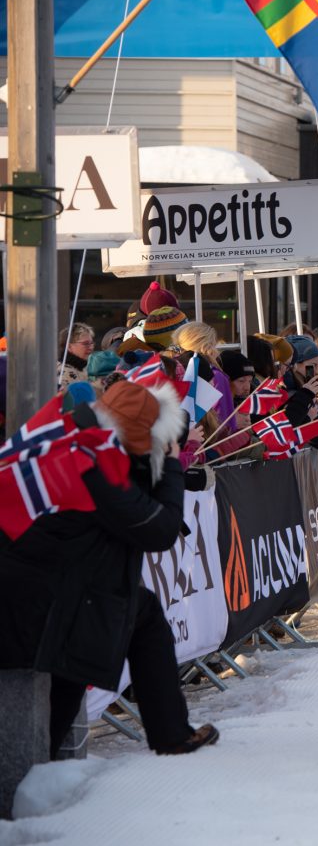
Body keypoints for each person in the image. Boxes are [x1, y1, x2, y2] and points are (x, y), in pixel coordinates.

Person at [0, 380, 218, 757]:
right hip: (43, 596)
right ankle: (35, 777)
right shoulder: (97, 467)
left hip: (59, 588)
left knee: (137, 618)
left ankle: (169, 732)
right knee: (66, 677)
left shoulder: (84, 442)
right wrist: (169, 466)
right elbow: (158, 529)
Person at [57, 323, 96, 390]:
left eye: (91, 343)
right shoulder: (62, 373)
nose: (91, 347)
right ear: (69, 346)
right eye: (86, 344)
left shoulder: (83, 367)